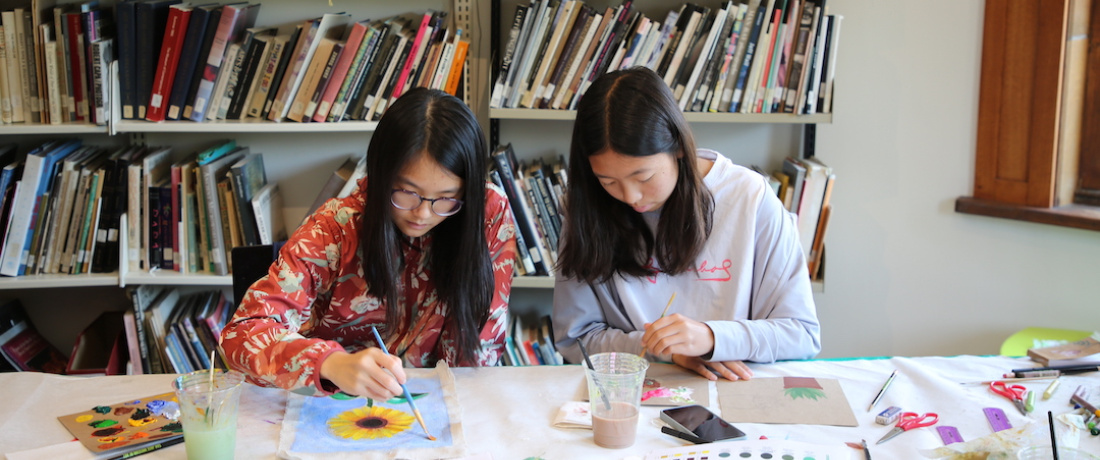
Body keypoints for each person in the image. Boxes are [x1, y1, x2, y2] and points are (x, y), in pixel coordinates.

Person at [221, 88, 517, 400]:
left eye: (446, 199)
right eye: (406, 192)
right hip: (335, 403)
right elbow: (240, 335)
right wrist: (330, 363)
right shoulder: (336, 227)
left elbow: (481, 344)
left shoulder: (487, 212)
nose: (423, 213)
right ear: (381, 173)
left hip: (432, 404)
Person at [553, 67, 820, 382]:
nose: (630, 196)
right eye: (608, 180)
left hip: (737, 389)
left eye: (644, 176)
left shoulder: (750, 199)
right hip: (636, 388)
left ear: (678, 147)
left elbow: (801, 334)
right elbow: (576, 339)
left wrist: (711, 338)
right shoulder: (587, 207)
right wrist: (662, 348)